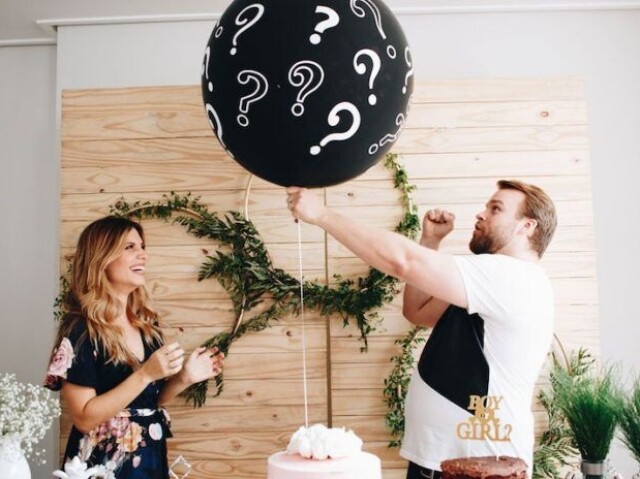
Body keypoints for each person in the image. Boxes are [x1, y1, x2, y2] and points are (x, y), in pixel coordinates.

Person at [286, 179, 557, 479]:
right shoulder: (490, 281)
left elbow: (404, 262)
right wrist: (430, 242)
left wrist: (322, 214)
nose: (481, 214)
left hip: (480, 466)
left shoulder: (512, 277)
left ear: (527, 226)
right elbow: (417, 311)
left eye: (496, 209)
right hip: (443, 460)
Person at [45, 216, 224, 478]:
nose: (143, 255)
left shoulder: (146, 325)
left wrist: (185, 377)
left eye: (142, 246)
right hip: (101, 467)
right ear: (101, 257)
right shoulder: (80, 330)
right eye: (130, 247)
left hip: (149, 460)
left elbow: (149, 400)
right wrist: (146, 373)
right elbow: (83, 417)